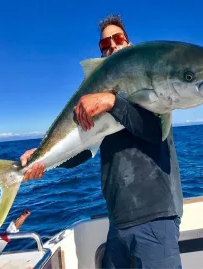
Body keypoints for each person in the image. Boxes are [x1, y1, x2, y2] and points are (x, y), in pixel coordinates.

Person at [20, 14, 183, 269]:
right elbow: (84, 150)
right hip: (118, 220)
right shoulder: (100, 102)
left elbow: (154, 132)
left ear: (128, 44)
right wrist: (43, 158)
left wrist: (112, 101)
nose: (111, 46)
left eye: (117, 39)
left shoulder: (152, 87)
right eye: (104, 45)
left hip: (155, 219)